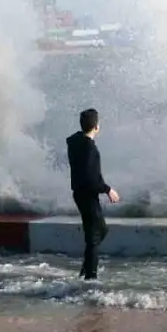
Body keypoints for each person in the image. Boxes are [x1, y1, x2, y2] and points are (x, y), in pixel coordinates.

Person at [66, 108, 120, 280]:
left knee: (99, 231)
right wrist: (107, 189)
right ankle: (90, 276)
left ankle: (87, 265)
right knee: (95, 235)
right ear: (97, 127)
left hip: (80, 194)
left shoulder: (75, 142)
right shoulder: (90, 149)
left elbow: (76, 135)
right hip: (88, 195)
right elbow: (91, 178)